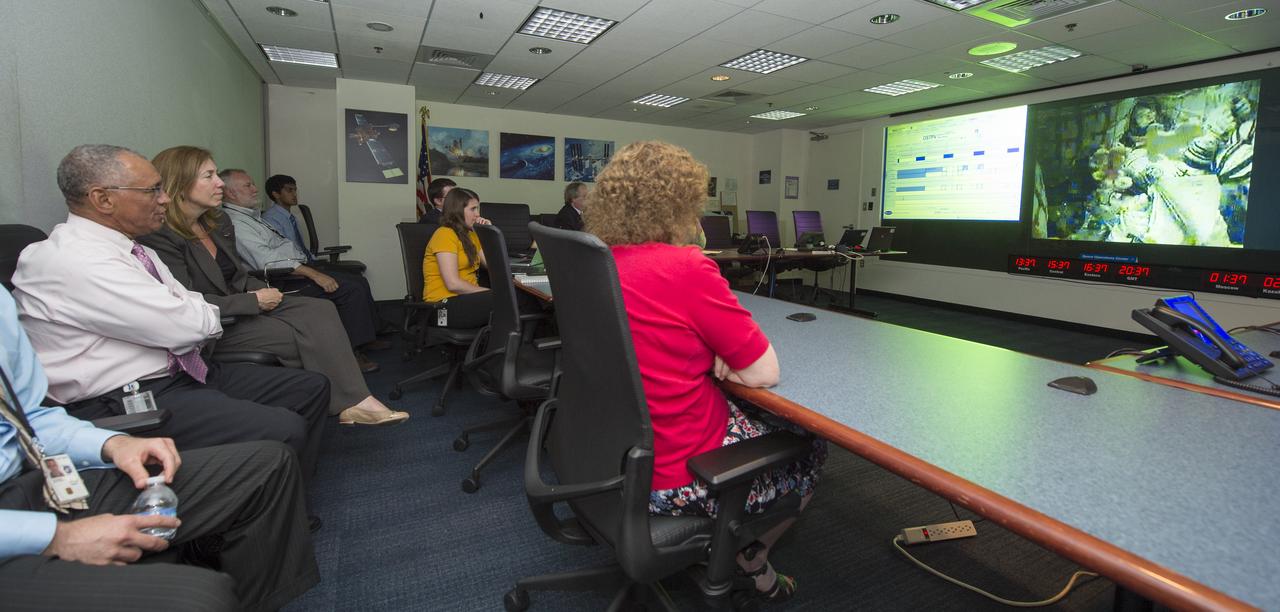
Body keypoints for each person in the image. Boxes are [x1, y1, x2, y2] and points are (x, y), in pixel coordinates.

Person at [585, 141, 826, 603]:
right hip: (678, 474)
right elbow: (764, 372)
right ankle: (752, 557)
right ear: (682, 203)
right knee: (810, 444)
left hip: (610, 459)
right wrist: (723, 355)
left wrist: (708, 349)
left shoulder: (597, 264)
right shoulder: (685, 266)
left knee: (757, 414)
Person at [11, 145, 329, 484]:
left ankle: (283, 490)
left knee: (311, 388)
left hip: (183, 373)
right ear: (103, 199)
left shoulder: (135, 250)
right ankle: (256, 499)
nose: (164, 199)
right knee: (284, 427)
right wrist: (193, 316)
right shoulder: (75, 260)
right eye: (153, 190)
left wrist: (192, 315)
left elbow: (188, 303)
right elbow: (187, 325)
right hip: (124, 398)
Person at [1, 286, 318, 611]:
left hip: (35, 477)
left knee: (269, 465)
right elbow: (178, 323)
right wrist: (55, 537)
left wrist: (111, 443)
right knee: (201, 597)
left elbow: (29, 417)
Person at [140, 146, 407, 426]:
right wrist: (253, 301)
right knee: (301, 335)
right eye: (209, 176)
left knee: (321, 308)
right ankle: (330, 404)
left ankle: (355, 401)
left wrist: (263, 290)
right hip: (216, 321)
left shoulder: (218, 223)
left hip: (244, 301)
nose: (219, 183)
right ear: (180, 183)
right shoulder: (161, 235)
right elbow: (186, 302)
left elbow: (238, 275)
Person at [217, 169, 387, 372]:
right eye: (248, 185)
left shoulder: (251, 217)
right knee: (350, 290)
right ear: (230, 193)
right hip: (279, 279)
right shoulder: (236, 222)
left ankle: (365, 338)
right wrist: (313, 273)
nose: (255, 189)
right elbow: (267, 260)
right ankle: (350, 354)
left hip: (294, 267)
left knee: (357, 280)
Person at [422, 188, 493, 328]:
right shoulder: (445, 234)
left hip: (466, 300)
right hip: (441, 308)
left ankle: (515, 339)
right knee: (507, 300)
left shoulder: (471, 235)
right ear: (457, 211)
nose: (478, 214)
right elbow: (453, 284)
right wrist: (490, 292)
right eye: (473, 209)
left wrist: (489, 234)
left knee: (517, 298)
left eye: (477, 208)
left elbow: (493, 266)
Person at [261, 174, 312, 259]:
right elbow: (283, 252)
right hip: (291, 263)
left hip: (304, 260)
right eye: (289, 190)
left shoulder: (292, 218)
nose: (294, 194)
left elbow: (298, 247)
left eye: (295, 190)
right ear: (276, 194)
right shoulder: (270, 219)